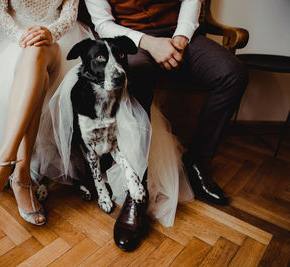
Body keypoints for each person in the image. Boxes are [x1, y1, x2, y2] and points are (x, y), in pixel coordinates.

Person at [84, 0, 248, 251]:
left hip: (179, 34)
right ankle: (137, 189)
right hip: (130, 40)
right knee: (136, 73)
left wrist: (181, 37)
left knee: (232, 73)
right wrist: (150, 43)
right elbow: (103, 24)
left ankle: (196, 162)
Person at [0, 0, 93, 226]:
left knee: (37, 52)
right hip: (15, 39)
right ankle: (21, 175)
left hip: (59, 40)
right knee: (35, 63)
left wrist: (49, 33)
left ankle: (3, 162)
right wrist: (23, 36)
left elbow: (69, 13)